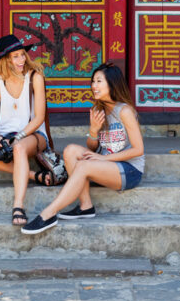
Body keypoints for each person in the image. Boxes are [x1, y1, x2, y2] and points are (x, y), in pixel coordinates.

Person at [22, 62, 143, 234]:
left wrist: (103, 158)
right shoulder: (98, 109)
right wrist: (93, 130)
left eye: (99, 81)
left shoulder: (125, 111)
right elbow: (93, 148)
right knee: (71, 150)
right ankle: (86, 206)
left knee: (84, 165)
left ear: (112, 83)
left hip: (129, 170)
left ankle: (48, 213)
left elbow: (138, 150)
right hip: (106, 165)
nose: (94, 85)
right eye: (93, 81)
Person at [0, 34, 51, 226]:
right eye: (15, 56)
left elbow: (40, 117)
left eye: (22, 55)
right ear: (5, 60)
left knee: (18, 148)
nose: (21, 60)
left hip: (33, 134)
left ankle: (18, 205)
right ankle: (35, 176)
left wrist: (19, 137)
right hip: (6, 137)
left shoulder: (35, 77)